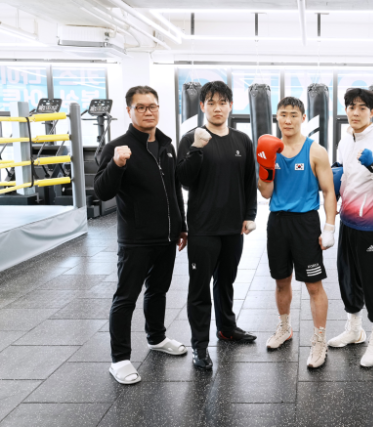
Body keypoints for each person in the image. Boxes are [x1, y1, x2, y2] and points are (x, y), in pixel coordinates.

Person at [95, 85, 188, 385]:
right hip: (135, 239)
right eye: (141, 107)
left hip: (166, 237)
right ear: (129, 111)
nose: (148, 112)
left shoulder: (167, 145)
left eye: (152, 106)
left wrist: (181, 225)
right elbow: (102, 191)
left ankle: (156, 338)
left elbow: (174, 189)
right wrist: (117, 164)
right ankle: (120, 359)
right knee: (125, 298)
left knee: (158, 291)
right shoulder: (117, 147)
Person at [176, 81, 258, 370]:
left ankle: (227, 328)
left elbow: (249, 181)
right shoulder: (190, 138)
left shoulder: (242, 140)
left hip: (233, 228)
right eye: (211, 103)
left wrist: (250, 214)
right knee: (200, 289)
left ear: (231, 106)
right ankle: (200, 346)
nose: (217, 108)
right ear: (202, 106)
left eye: (223, 102)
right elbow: (184, 179)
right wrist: (197, 148)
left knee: (226, 282)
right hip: (203, 228)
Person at [257, 96, 337, 369]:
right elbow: (266, 192)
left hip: (305, 223)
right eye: (283, 114)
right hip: (278, 222)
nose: (288, 120)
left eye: (293, 114)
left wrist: (329, 227)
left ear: (303, 118)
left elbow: (329, 191)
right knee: (281, 281)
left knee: (313, 285)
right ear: (277, 118)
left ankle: (319, 340)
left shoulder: (316, 151)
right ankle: (284, 327)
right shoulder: (270, 150)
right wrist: (265, 166)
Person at [326, 88, 373, 368]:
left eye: (361, 108)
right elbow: (344, 175)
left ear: (372, 111)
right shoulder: (345, 140)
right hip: (347, 221)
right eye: (351, 107)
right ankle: (354, 330)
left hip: (371, 225)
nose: (355, 113)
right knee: (348, 277)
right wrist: (336, 187)